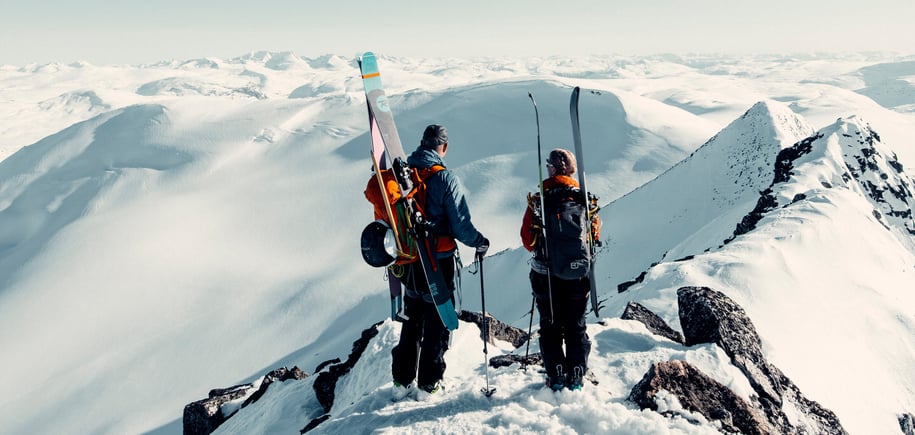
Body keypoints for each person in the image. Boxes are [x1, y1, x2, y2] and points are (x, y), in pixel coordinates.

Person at [391, 124, 489, 399]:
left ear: (423, 143)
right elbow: (460, 225)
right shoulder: (445, 178)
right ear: (443, 147)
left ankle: (401, 380)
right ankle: (429, 382)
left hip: (411, 259)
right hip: (438, 261)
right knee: (436, 321)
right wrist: (480, 241)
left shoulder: (404, 173)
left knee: (412, 317)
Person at [520, 148, 599, 391]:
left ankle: (556, 375)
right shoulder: (584, 199)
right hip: (578, 274)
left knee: (550, 325)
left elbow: (528, 241)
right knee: (576, 325)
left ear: (553, 168)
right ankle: (576, 375)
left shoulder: (540, 200)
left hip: (546, 275)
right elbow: (594, 235)